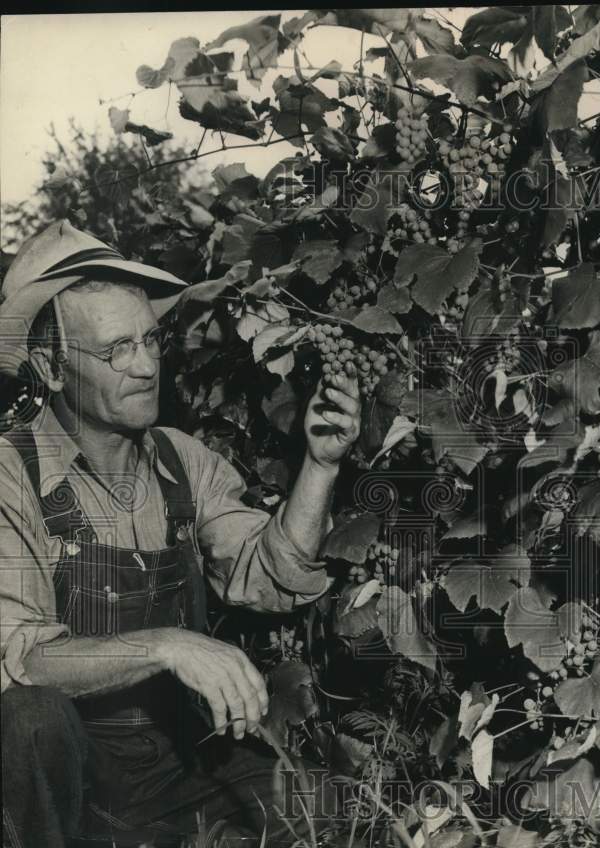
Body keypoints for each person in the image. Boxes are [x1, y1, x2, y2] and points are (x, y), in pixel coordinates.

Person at [0, 220, 359, 847]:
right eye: (116, 350)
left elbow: (270, 575)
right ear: (50, 368)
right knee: (31, 718)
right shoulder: (11, 476)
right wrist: (167, 645)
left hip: (172, 763)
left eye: (150, 340)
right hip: (64, 783)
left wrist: (320, 465)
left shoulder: (180, 459)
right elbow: (26, 660)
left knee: (321, 812)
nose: (145, 367)